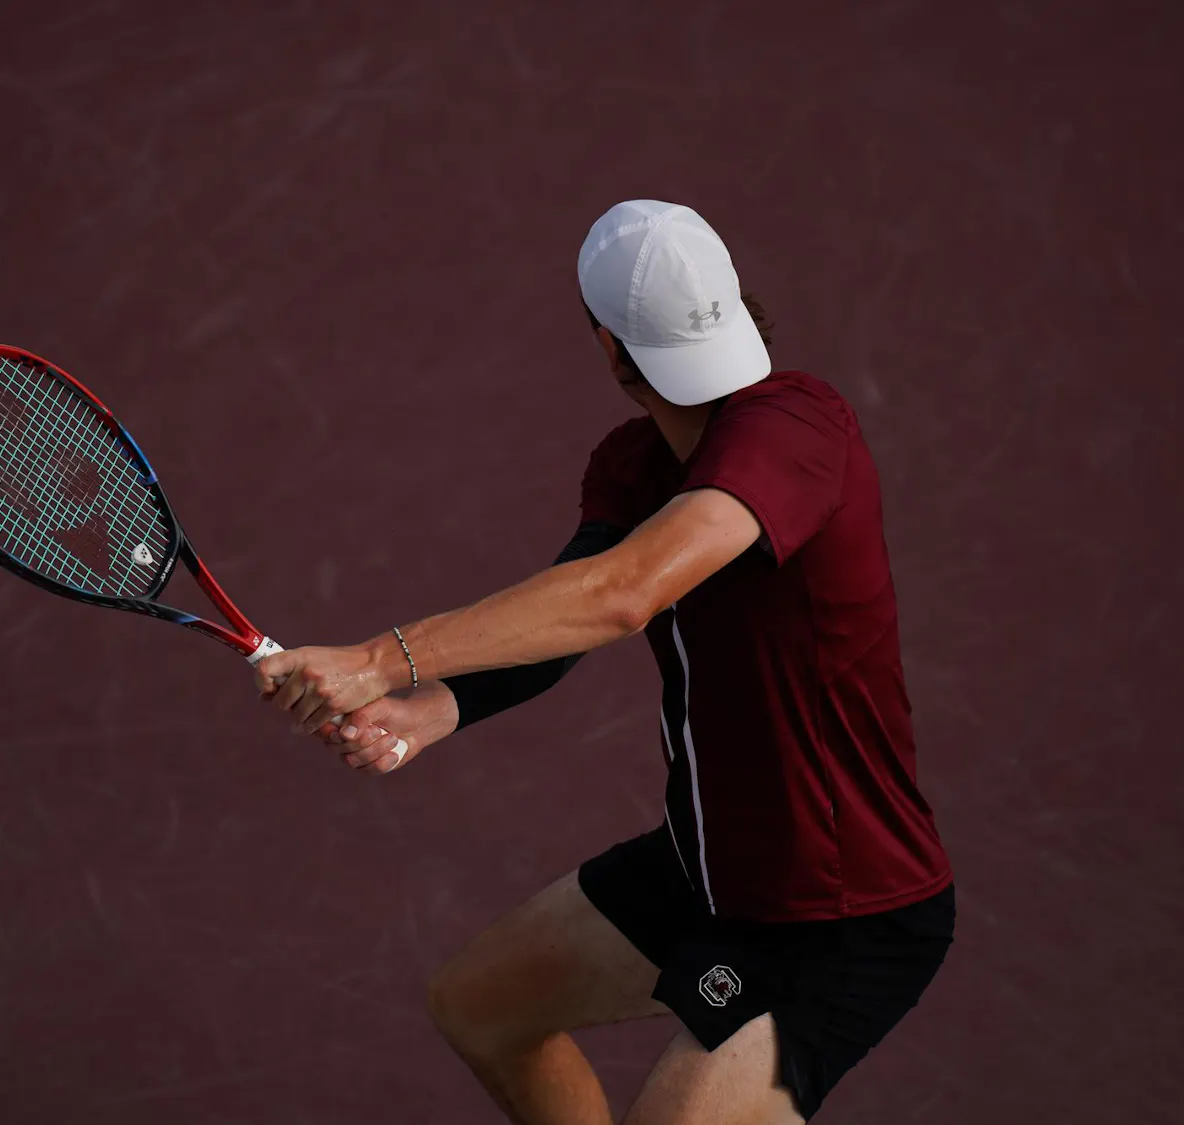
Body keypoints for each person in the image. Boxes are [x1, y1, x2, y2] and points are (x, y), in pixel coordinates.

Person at [255, 199, 955, 1125]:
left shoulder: (799, 427)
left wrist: (382, 660)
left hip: (837, 909)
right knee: (483, 1006)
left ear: (607, 345)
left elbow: (622, 593)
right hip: (707, 868)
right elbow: (570, 609)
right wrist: (438, 705)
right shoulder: (635, 468)